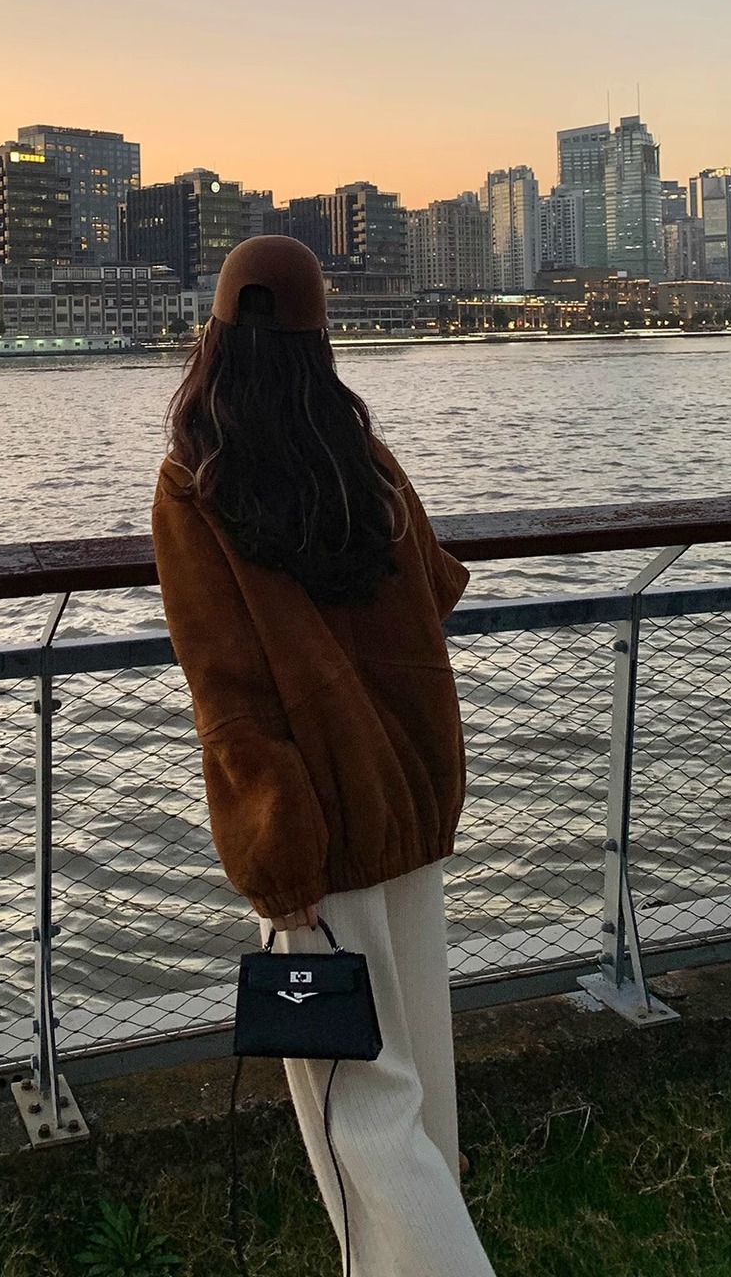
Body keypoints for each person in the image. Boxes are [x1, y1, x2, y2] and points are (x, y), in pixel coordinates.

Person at [151, 235, 496, 1277]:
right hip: (411, 804)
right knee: (421, 1091)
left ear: (215, 335)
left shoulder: (197, 481)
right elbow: (437, 587)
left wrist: (278, 863)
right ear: (320, 337)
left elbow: (229, 697)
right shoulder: (364, 461)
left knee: (361, 1122)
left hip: (316, 837)